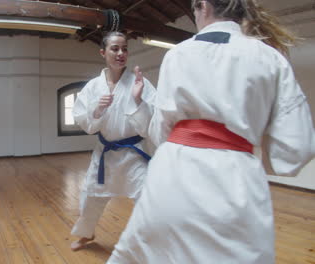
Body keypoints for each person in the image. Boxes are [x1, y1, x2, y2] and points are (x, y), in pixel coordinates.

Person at [107, 0, 315, 263]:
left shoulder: (177, 55)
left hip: (171, 178)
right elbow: (295, 150)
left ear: (202, 6)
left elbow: (160, 134)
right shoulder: (269, 57)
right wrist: (248, 154)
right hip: (235, 184)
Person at [70, 31, 156, 251]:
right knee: (91, 196)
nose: (121, 53)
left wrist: (138, 101)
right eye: (115, 48)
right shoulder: (92, 87)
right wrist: (97, 109)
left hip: (134, 153)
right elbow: (84, 121)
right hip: (105, 153)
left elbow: (149, 126)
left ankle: (148, 241)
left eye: (124, 48)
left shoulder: (140, 83)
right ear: (103, 52)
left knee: (146, 197)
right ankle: (86, 234)